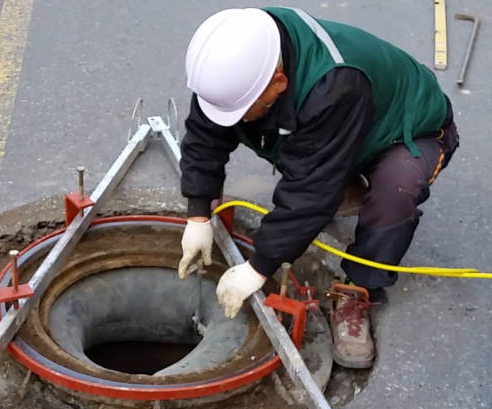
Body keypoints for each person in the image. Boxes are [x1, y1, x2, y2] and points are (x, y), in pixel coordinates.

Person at [177, 7, 459, 368]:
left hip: (408, 128)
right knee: (289, 147)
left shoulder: (333, 85)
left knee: (395, 188)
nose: (234, 118)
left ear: (279, 82)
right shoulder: (237, 58)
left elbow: (308, 191)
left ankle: (361, 288)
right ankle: (340, 180)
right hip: (345, 124)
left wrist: (259, 266)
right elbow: (205, 135)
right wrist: (198, 213)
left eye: (242, 108)